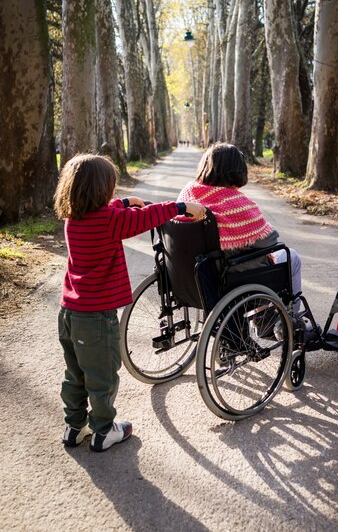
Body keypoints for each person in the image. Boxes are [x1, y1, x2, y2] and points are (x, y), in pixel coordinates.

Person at [54, 153, 205, 452]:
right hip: (96, 318)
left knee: (75, 373)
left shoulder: (74, 219)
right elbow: (145, 218)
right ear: (101, 190)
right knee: (103, 376)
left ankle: (75, 426)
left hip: (69, 312)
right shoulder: (110, 222)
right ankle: (104, 430)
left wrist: (123, 202)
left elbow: (109, 213)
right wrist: (181, 206)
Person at [177, 142, 303, 317]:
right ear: (235, 171)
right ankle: (287, 322)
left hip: (194, 278)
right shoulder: (236, 204)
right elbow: (270, 240)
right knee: (292, 256)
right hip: (232, 277)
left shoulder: (188, 193)